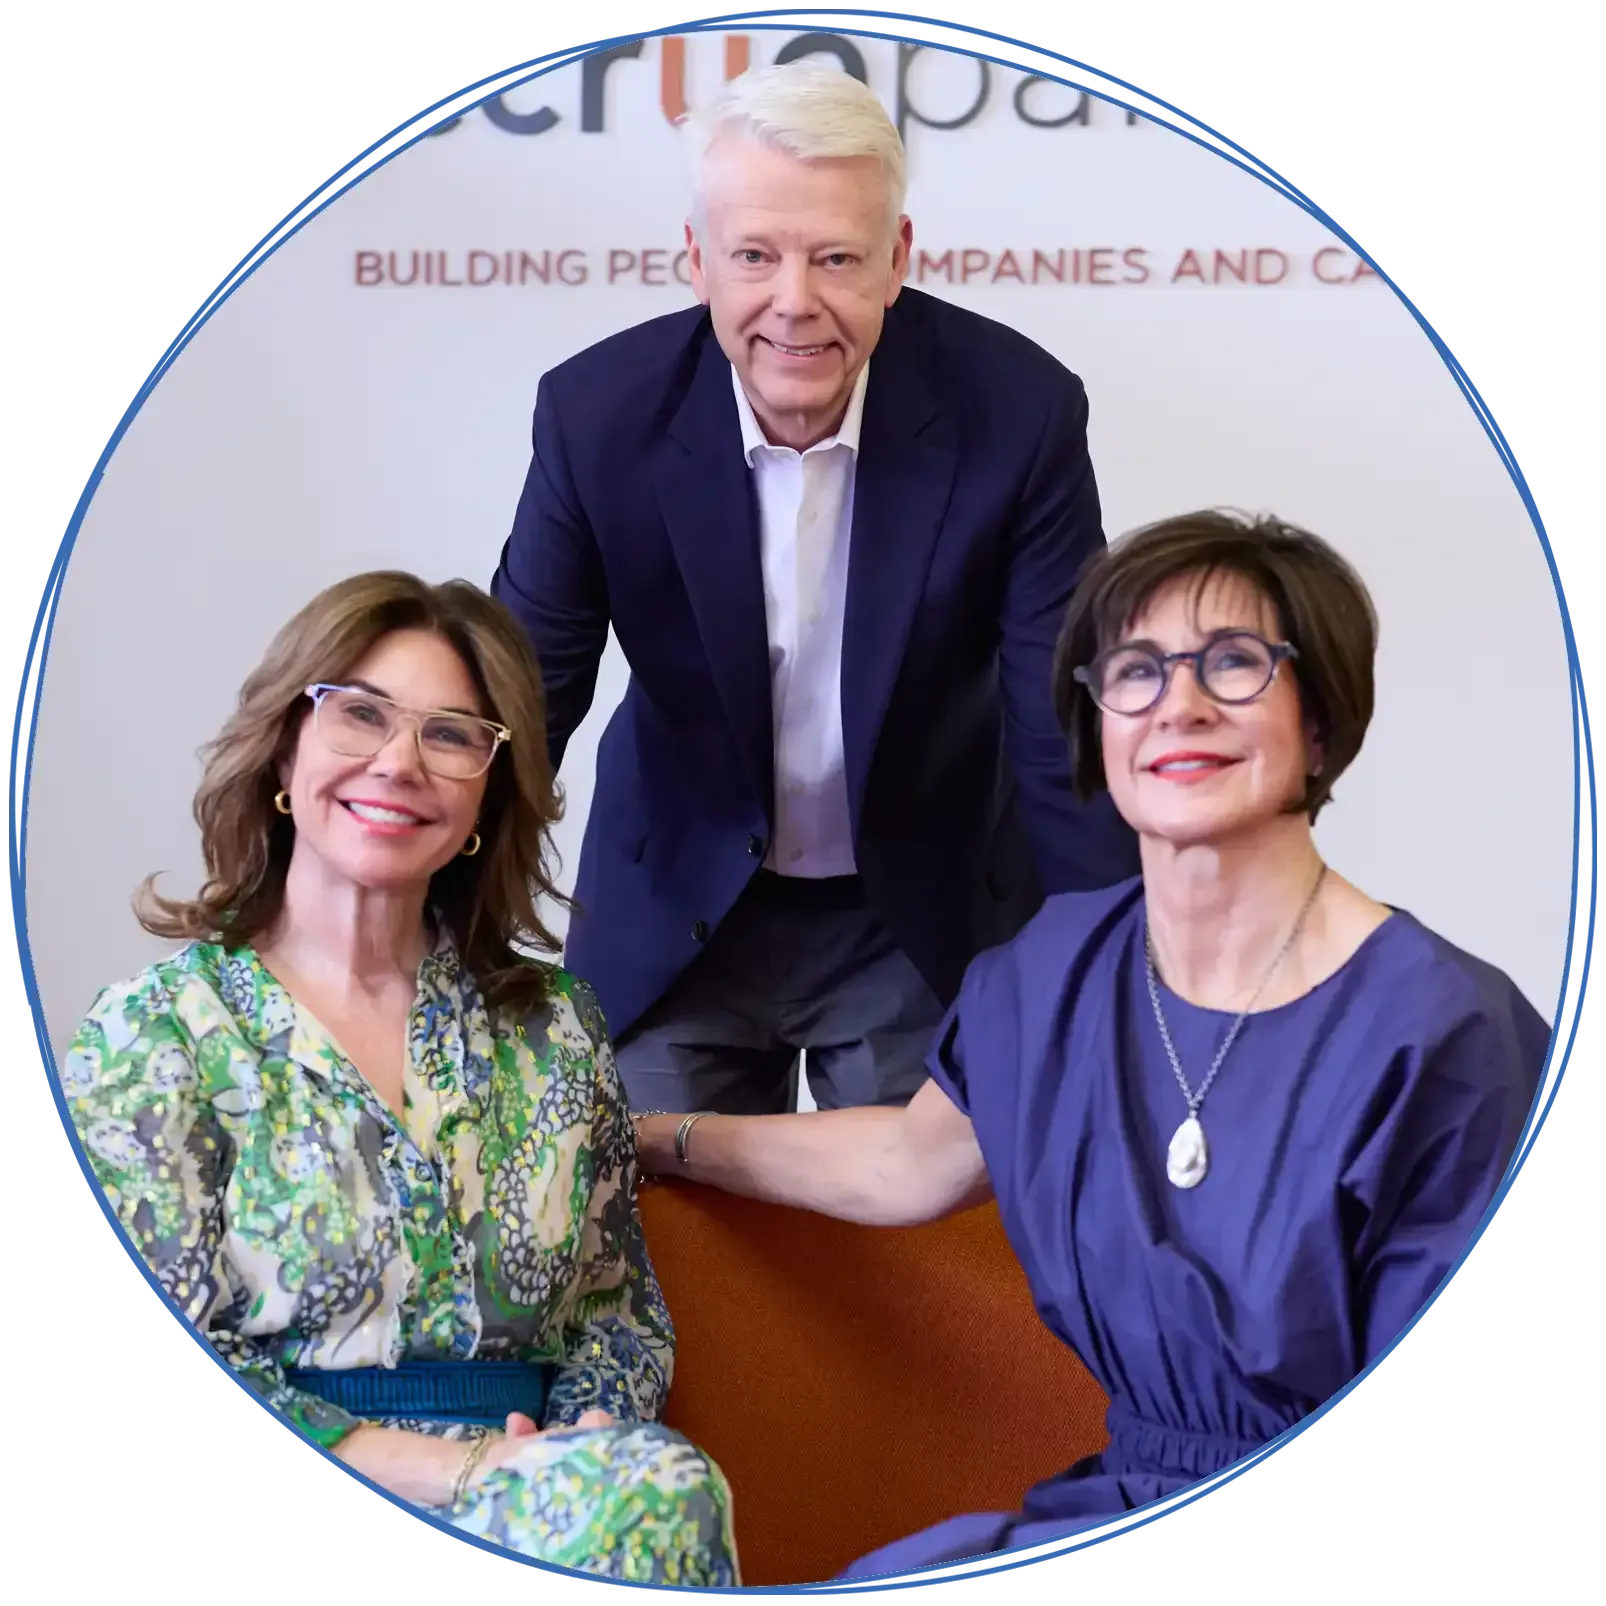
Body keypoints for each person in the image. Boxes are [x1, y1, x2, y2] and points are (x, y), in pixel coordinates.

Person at [635, 510, 1548, 1574]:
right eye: (1137, 671)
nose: (1181, 705)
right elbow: (901, 1163)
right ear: (1097, 724)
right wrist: (657, 1137)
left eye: (1236, 663)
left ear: (1320, 719)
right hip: (1121, 1502)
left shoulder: (1448, 1034)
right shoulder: (1051, 972)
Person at [60, 572, 738, 1586]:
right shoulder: (154, 1036)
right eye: (360, 714)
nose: (398, 761)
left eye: (452, 734)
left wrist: (569, 1447)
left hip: (540, 1500)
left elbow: (615, 1313)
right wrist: (460, 1472)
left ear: (483, 799)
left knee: (654, 1485)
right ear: (284, 749)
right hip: (272, 1511)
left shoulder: (555, 1031)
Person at [490, 60, 1139, 1117]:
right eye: (756, 255)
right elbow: (520, 703)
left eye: (837, 257)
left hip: (919, 912)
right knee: (655, 1256)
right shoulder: (594, 417)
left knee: (919, 1267)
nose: (795, 303)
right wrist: (420, 943)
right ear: (697, 260)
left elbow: (1061, 728)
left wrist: (1108, 982)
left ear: (898, 259)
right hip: (677, 904)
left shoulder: (1017, 415)